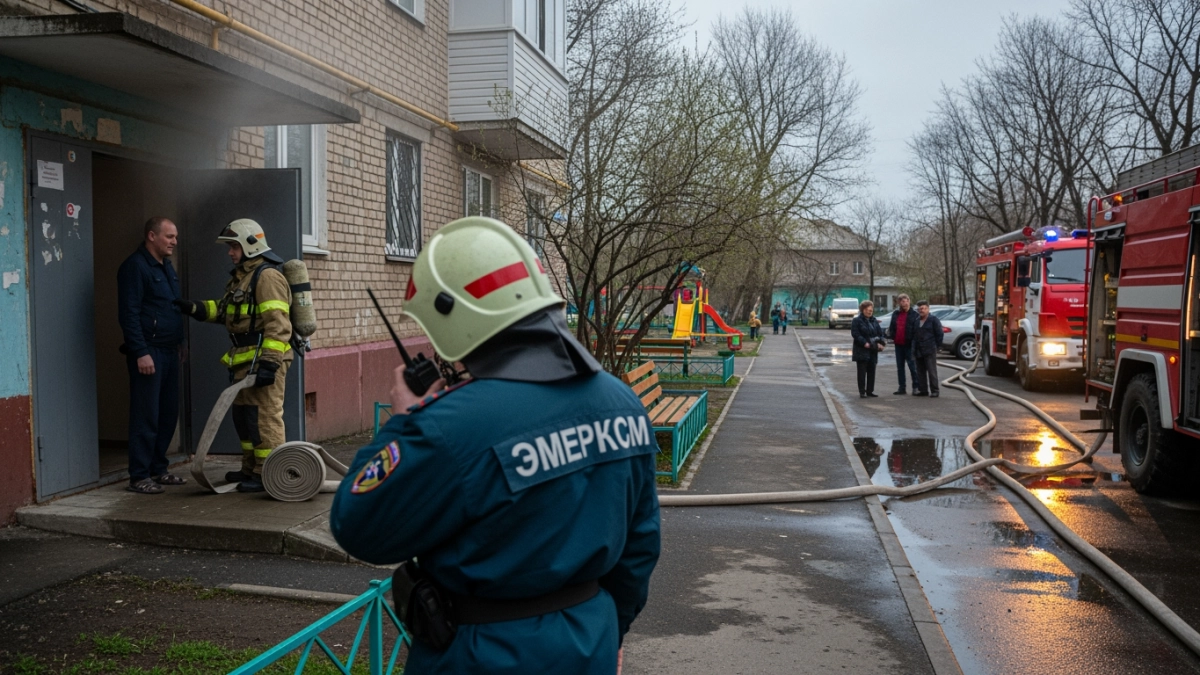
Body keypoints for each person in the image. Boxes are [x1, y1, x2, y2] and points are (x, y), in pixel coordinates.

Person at [329, 217, 660, 674]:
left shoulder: (451, 426)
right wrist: (611, 632)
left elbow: (358, 525)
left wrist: (404, 421)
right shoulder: (621, 401)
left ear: (456, 317)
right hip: (589, 642)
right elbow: (639, 546)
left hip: (482, 654)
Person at [176, 219, 293, 492]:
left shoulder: (267, 277)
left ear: (250, 245)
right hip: (244, 359)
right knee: (244, 417)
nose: (230, 252)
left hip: (263, 359)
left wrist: (269, 363)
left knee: (264, 416)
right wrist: (194, 308)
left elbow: (279, 324)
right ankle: (251, 469)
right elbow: (228, 312)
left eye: (233, 246)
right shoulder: (242, 278)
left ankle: (268, 474)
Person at [117, 217, 188, 494]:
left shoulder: (166, 267)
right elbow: (129, 314)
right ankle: (139, 475)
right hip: (149, 353)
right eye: (169, 236)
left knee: (168, 413)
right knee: (146, 414)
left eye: (176, 237)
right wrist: (141, 352)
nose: (174, 242)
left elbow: (171, 308)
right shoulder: (135, 268)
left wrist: (181, 341)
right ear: (151, 236)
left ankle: (159, 469)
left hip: (170, 352)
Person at [885, 294, 920, 395]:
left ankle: (915, 387)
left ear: (909, 301)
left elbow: (916, 330)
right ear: (899, 303)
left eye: (906, 301)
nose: (904, 303)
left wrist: (914, 343)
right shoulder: (895, 314)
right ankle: (902, 387)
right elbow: (892, 327)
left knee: (912, 367)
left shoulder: (914, 315)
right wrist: (890, 336)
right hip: (898, 345)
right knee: (900, 367)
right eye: (902, 301)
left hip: (909, 345)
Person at [850, 300, 886, 398]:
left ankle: (870, 391)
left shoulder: (874, 320)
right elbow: (855, 334)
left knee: (871, 371)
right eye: (867, 309)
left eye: (871, 310)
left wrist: (881, 343)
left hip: (873, 349)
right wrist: (864, 343)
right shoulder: (857, 321)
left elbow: (880, 334)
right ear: (863, 309)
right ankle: (862, 391)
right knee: (862, 372)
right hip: (862, 349)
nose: (869, 311)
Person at [911, 300, 944, 397]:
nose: (921, 310)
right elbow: (914, 335)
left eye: (924, 308)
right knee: (920, 371)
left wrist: (937, 346)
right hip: (918, 349)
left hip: (930, 349)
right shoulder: (916, 321)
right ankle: (923, 390)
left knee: (931, 371)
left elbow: (939, 334)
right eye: (920, 309)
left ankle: (935, 390)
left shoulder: (934, 320)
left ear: (928, 309)